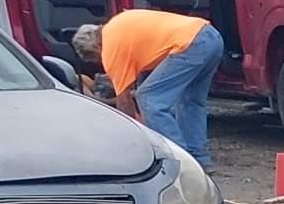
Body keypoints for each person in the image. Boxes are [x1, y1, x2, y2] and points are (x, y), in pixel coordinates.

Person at [70, 10, 224, 172]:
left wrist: (134, 139)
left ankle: (180, 161)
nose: (102, 61)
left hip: (190, 45)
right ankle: (199, 160)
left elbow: (124, 101)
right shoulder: (119, 23)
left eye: (97, 57)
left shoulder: (110, 46)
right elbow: (149, 66)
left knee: (149, 98)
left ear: (95, 46)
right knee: (191, 100)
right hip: (210, 36)